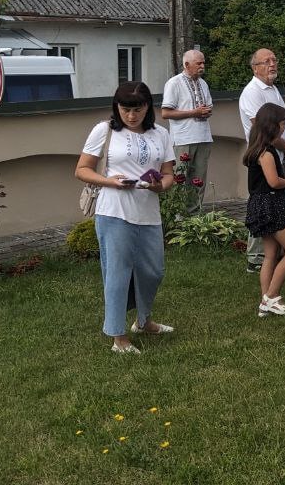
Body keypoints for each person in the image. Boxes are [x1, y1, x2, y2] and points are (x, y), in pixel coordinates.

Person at [75, 82, 176, 354]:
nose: (131, 115)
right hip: (114, 211)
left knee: (153, 271)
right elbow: (82, 169)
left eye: (138, 109)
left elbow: (169, 174)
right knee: (117, 274)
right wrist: (110, 181)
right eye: (125, 109)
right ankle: (118, 337)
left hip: (148, 212)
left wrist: (160, 186)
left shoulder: (161, 134)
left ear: (148, 107)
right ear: (116, 107)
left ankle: (143, 321)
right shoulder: (104, 130)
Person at [243, 103, 285, 318]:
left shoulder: (256, 149)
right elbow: (273, 181)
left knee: (270, 255)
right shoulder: (266, 153)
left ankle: (265, 302)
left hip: (261, 205)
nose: (284, 127)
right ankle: (272, 295)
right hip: (272, 205)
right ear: (272, 126)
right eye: (282, 123)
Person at [239, 48, 285, 273]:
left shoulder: (273, 88)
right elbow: (263, 128)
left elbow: (283, 120)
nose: (272, 64)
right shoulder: (252, 92)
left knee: (275, 204)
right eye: (266, 61)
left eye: (274, 59)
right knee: (263, 204)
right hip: (264, 156)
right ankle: (256, 256)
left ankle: (272, 252)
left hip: (278, 154)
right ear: (255, 68)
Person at [159, 49, 213, 213]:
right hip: (183, 139)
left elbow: (208, 107)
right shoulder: (174, 83)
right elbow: (165, 113)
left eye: (203, 63)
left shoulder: (203, 83)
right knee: (180, 180)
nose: (202, 66)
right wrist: (194, 112)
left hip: (204, 137)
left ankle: (195, 217)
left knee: (199, 180)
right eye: (199, 63)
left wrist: (206, 112)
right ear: (187, 65)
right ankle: (178, 217)